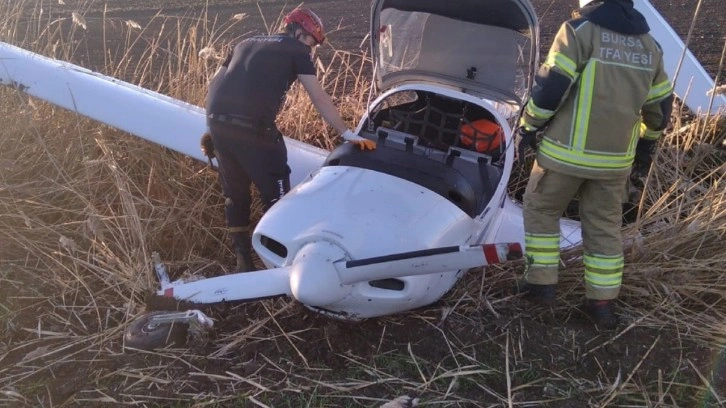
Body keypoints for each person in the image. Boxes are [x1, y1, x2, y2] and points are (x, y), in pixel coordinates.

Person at [514, 0, 673, 329]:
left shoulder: (578, 32)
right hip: (614, 164)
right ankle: (601, 305)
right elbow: (660, 109)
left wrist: (529, 126)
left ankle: (541, 288)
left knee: (541, 210)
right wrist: (646, 144)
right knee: (603, 228)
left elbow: (551, 87)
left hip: (564, 156)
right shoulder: (650, 46)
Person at [205, 7, 375, 272]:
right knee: (276, 190)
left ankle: (243, 260)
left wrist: (213, 127)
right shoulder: (297, 51)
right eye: (310, 40)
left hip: (218, 123)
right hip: (254, 128)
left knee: (235, 194)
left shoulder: (244, 42)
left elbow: (215, 84)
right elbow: (318, 97)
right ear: (298, 31)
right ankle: (277, 261)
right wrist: (346, 132)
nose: (312, 48)